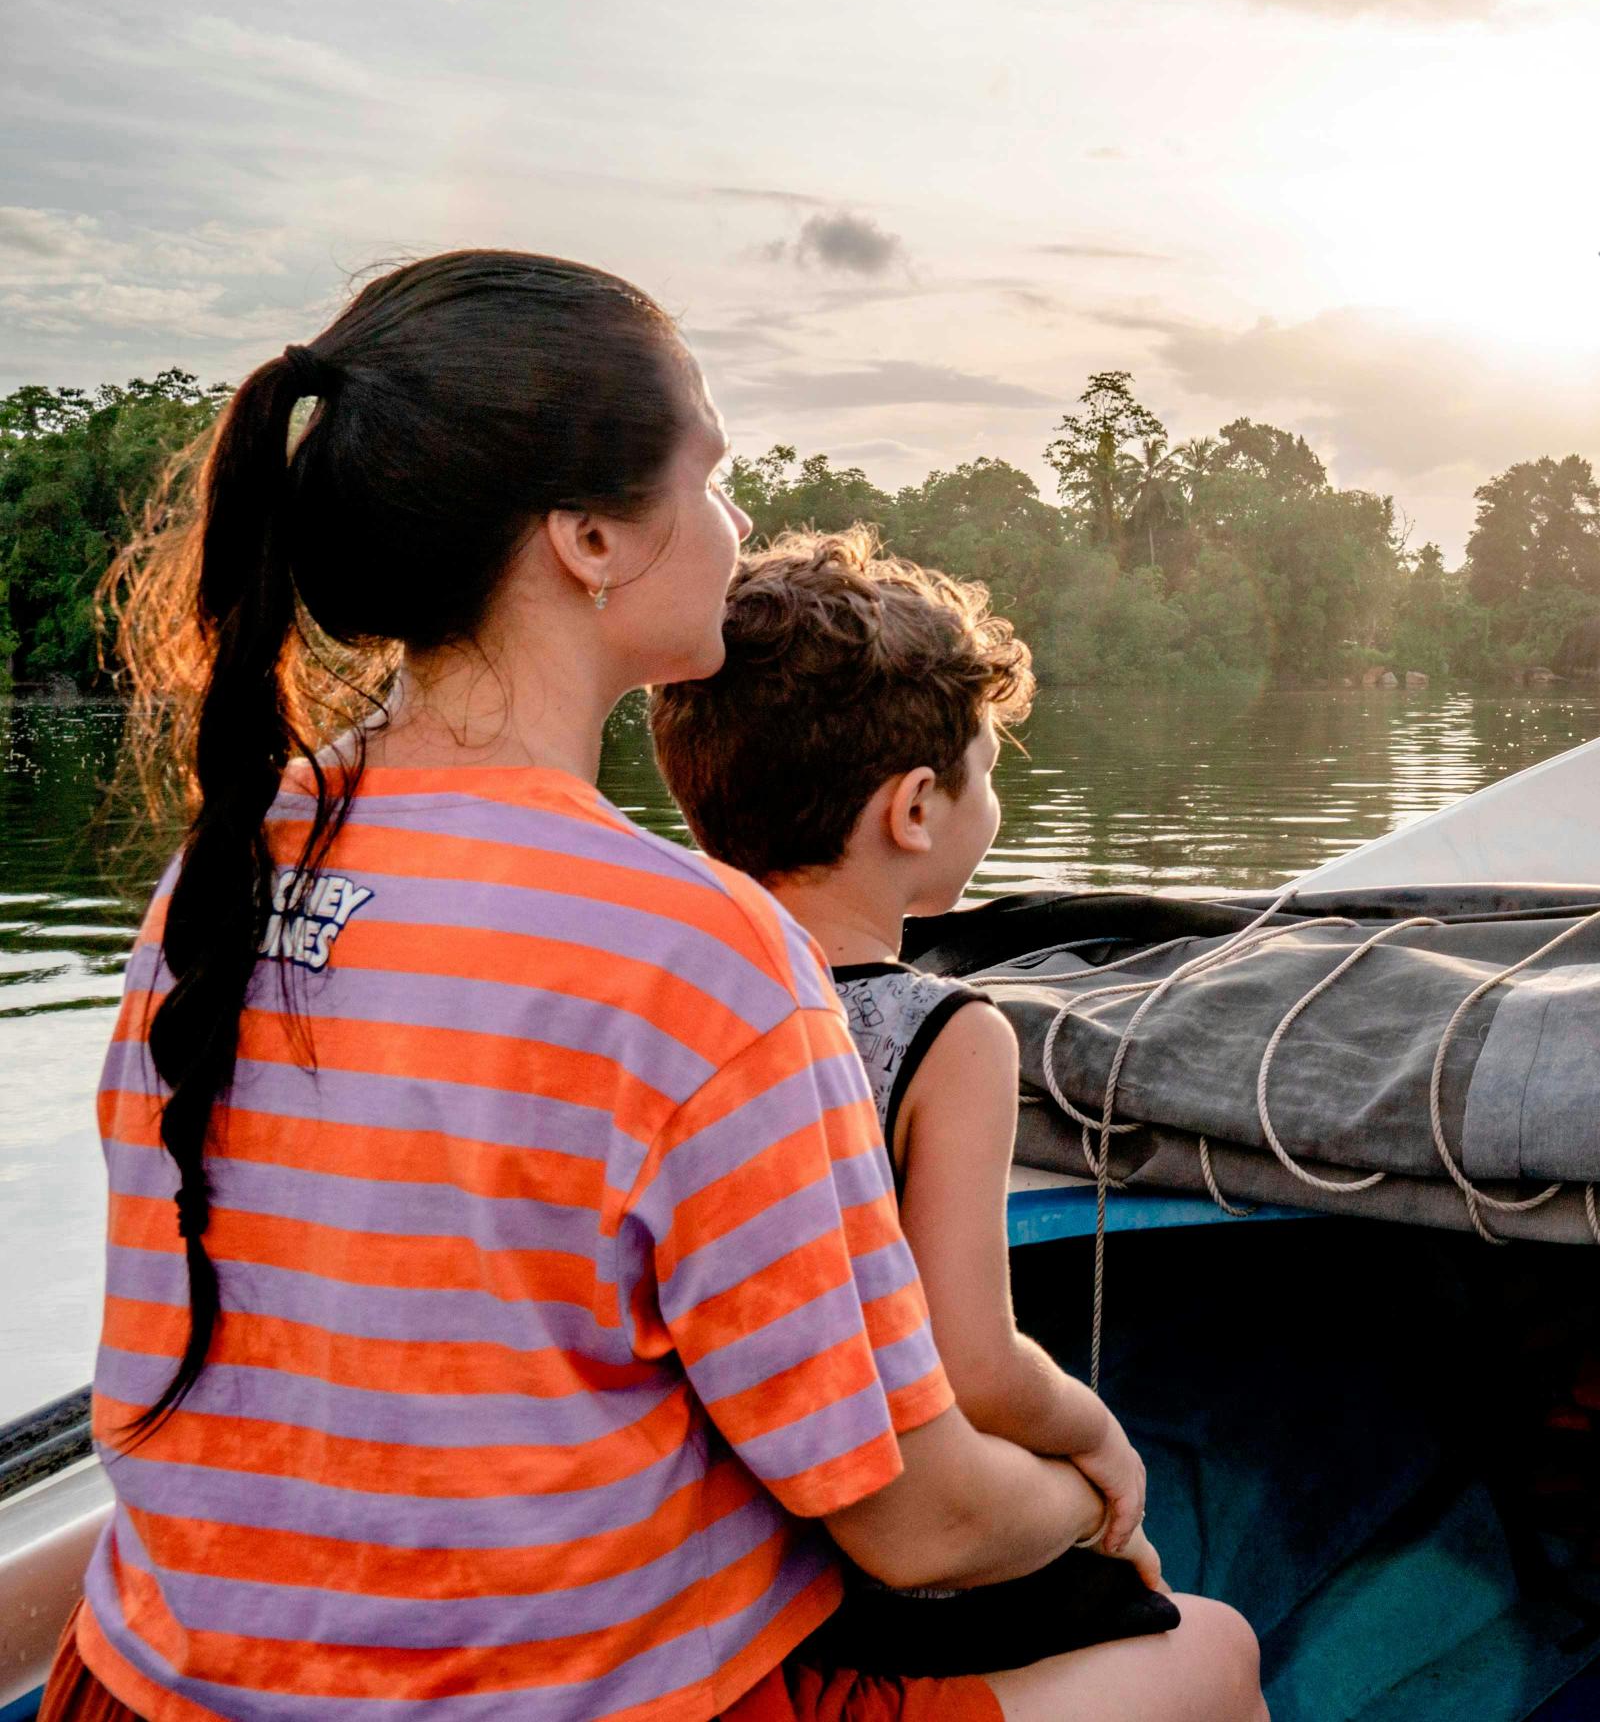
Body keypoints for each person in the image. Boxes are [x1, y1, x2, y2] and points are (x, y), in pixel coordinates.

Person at [65, 251, 1262, 1722]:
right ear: (588, 537)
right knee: (1208, 1652)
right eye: (712, 474)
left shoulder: (220, 873)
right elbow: (919, 1520)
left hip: (141, 1692)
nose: (736, 521)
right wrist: (1091, 1498)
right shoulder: (695, 952)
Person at [648, 531, 1163, 1677]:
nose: (995, 798)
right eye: (989, 769)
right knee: (1187, 1621)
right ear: (917, 808)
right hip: (880, 1576)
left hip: (717, 1552)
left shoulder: (669, 1011)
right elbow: (970, 1363)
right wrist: (1096, 1438)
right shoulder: (950, 1035)